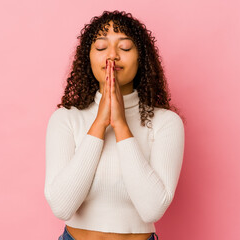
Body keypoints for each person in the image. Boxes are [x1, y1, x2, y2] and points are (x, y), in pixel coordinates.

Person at [44, 10, 185, 240]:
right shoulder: (66, 119)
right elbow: (61, 206)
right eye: (101, 48)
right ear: (87, 57)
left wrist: (120, 126)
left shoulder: (165, 123)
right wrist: (99, 124)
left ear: (141, 58)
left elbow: (152, 209)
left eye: (125, 48)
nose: (112, 56)